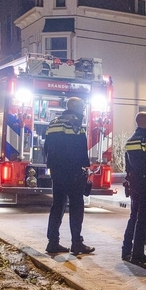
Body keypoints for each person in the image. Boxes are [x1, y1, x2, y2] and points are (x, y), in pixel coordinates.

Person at [44, 96, 95, 255]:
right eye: (82, 107)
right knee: (76, 206)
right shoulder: (75, 125)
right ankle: (76, 243)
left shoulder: (53, 123)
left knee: (57, 205)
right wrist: (84, 168)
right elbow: (78, 150)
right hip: (72, 172)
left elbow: (46, 148)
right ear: (77, 108)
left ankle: (53, 242)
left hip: (56, 172)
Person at [121, 112, 146, 266]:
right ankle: (138, 254)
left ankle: (126, 250)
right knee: (143, 220)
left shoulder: (131, 140)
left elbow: (128, 165)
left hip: (135, 184)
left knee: (134, 217)